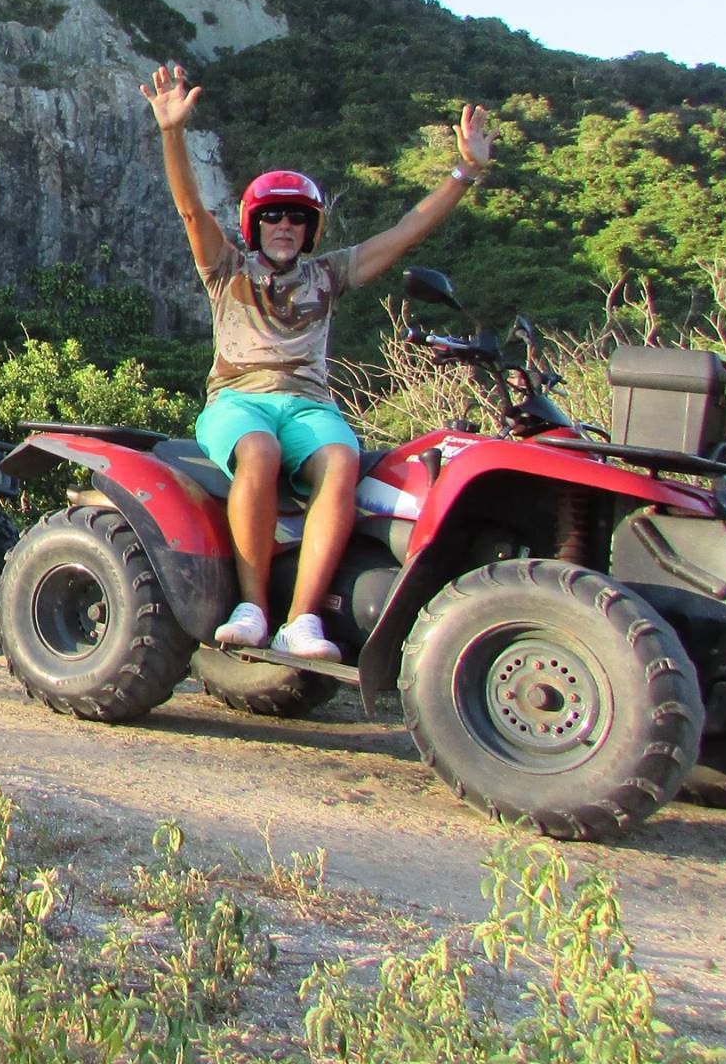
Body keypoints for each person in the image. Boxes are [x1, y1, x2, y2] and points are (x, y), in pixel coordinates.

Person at [141, 61, 492, 660]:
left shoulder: (329, 275)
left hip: (309, 404)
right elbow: (191, 212)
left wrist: (465, 171)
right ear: (256, 224)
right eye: (274, 215)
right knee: (258, 450)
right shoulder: (227, 270)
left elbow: (406, 232)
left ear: (310, 230)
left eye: (297, 217)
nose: (285, 224)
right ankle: (251, 607)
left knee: (341, 459)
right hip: (238, 400)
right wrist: (172, 131)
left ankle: (303, 620)